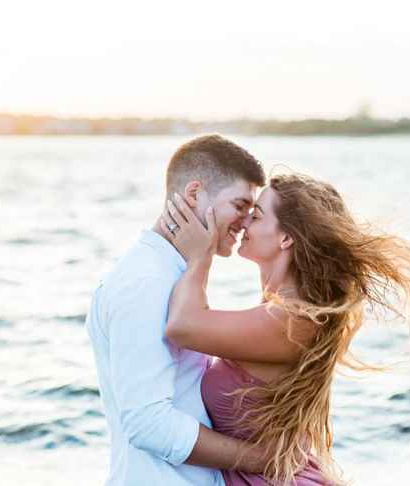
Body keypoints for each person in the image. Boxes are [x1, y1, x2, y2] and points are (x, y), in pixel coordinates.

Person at [160, 172, 410, 485]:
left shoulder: (291, 321)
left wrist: (199, 255)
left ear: (286, 238)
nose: (244, 223)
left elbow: (182, 326)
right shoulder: (284, 313)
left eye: (256, 216)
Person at [85, 134, 271, 486]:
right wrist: (261, 459)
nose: (246, 221)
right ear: (194, 194)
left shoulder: (174, 273)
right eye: (240, 205)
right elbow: (148, 422)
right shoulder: (146, 281)